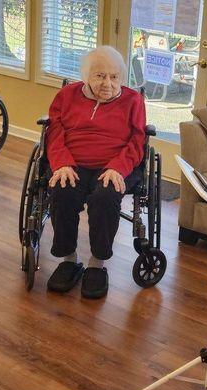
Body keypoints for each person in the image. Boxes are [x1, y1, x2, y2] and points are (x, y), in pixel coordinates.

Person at [45, 46, 146, 299]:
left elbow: (137, 140)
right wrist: (62, 163)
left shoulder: (133, 100)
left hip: (114, 166)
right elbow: (55, 132)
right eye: (100, 76)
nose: (108, 83)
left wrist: (117, 167)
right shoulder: (66, 96)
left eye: (114, 77)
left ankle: (97, 264)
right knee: (62, 191)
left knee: (105, 198)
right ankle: (69, 260)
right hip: (72, 164)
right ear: (86, 77)